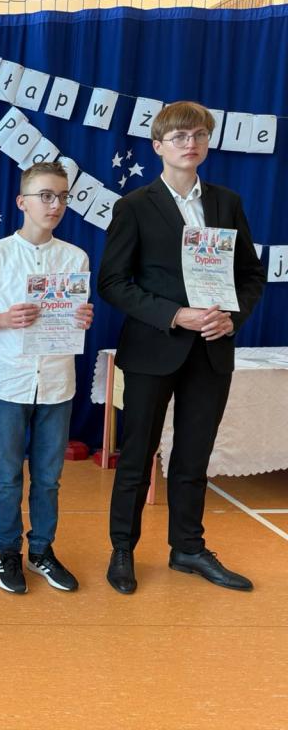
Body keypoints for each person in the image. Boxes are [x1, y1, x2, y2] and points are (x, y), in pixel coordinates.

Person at [98, 101, 265, 594]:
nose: (190, 144)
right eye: (179, 137)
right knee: (136, 456)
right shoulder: (134, 205)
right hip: (153, 348)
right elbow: (112, 283)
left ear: (208, 143)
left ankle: (188, 548)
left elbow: (250, 275)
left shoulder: (227, 203)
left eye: (198, 136)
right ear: (158, 146)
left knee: (193, 457)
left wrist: (232, 318)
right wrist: (174, 314)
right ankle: (122, 549)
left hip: (211, 350)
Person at [0, 161, 94, 594]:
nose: (54, 204)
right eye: (45, 195)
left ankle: (41, 550)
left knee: (48, 476)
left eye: (62, 197)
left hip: (56, 380)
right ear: (22, 202)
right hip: (8, 379)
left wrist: (82, 318)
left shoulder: (75, 257)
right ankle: (7, 552)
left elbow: (73, 317)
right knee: (7, 475)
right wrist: (5, 319)